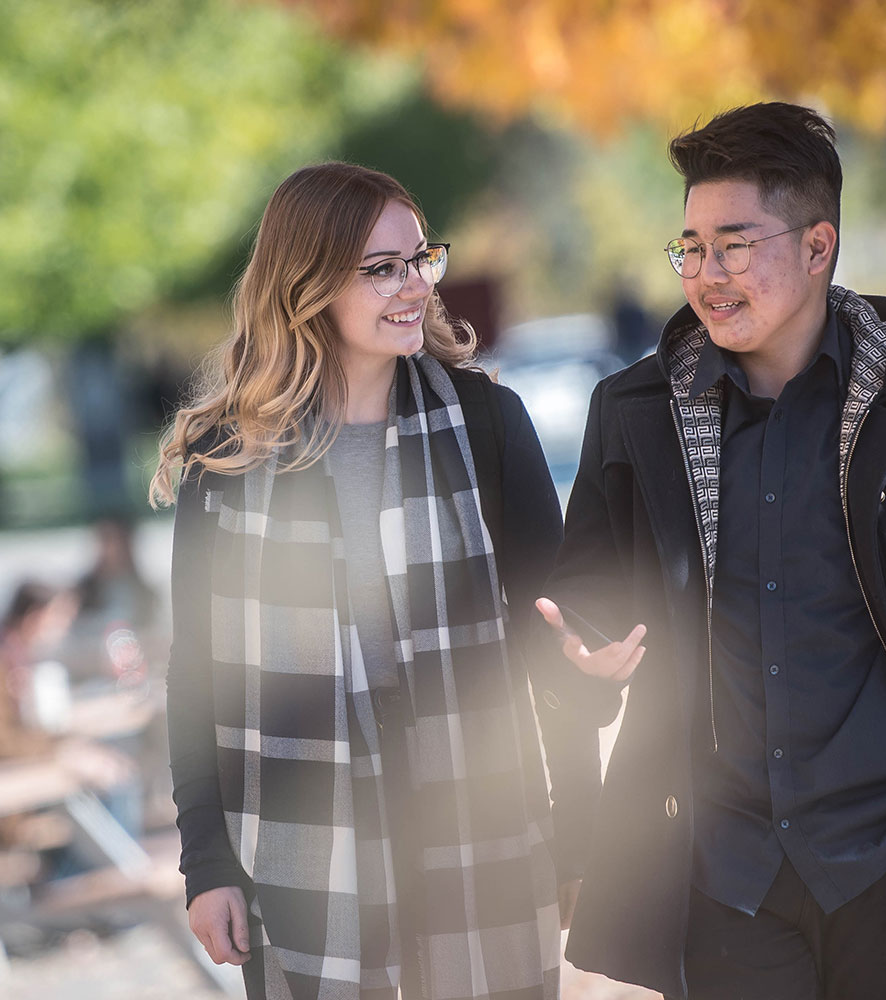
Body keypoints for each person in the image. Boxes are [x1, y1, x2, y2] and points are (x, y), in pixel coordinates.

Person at [536, 102, 886, 1000]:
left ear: (818, 245)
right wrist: (582, 668)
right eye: (691, 247)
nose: (706, 274)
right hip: (722, 875)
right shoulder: (635, 418)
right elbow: (577, 613)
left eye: (735, 245)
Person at [150, 162, 589, 1000]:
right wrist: (205, 860)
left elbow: (553, 638)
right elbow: (195, 674)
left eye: (421, 260)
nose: (414, 286)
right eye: (381, 268)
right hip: (300, 843)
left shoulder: (488, 425)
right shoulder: (227, 460)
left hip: (478, 825)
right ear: (307, 285)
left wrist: (577, 827)